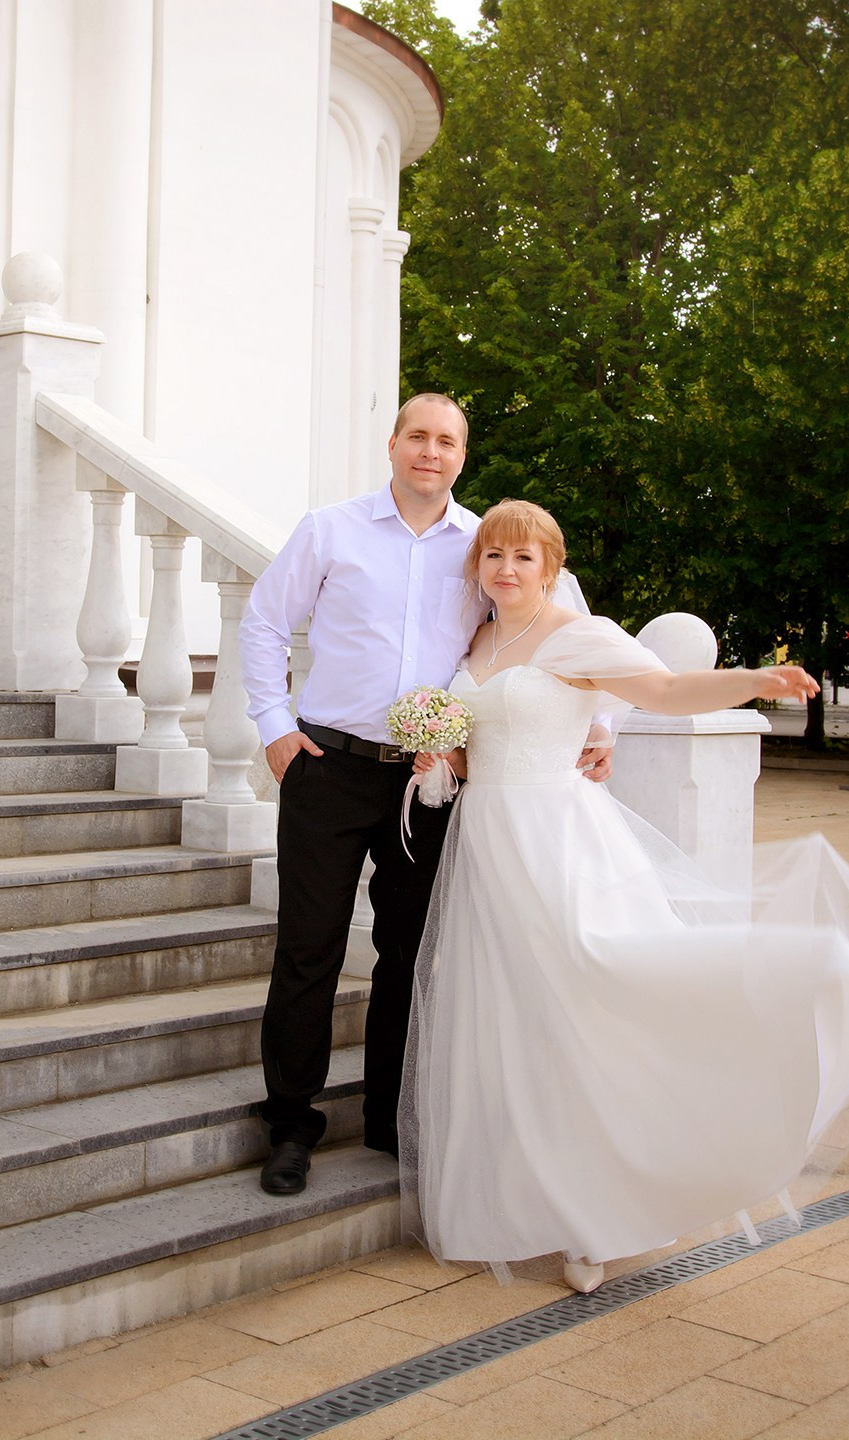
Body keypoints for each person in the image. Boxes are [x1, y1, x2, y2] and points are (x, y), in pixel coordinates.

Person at [401, 500, 849, 1294]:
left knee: (590, 999)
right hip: (486, 844)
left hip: (558, 841)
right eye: (493, 557)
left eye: (524, 558)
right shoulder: (475, 641)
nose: (506, 571)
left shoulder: (578, 635)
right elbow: (484, 751)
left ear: (551, 567)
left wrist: (754, 679)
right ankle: (524, 1200)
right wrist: (441, 759)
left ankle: (597, 1219)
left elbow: (667, 689)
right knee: (508, 1018)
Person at [239, 394, 612, 1198]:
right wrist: (275, 727)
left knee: (411, 952)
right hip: (328, 767)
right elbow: (266, 622)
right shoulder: (330, 530)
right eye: (419, 436)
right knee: (310, 947)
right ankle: (290, 1121)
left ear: (461, 456)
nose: (430, 451)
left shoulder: (483, 546)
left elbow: (567, 621)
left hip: (430, 779)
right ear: (394, 444)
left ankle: (391, 1117)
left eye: (447, 441)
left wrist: (600, 724)